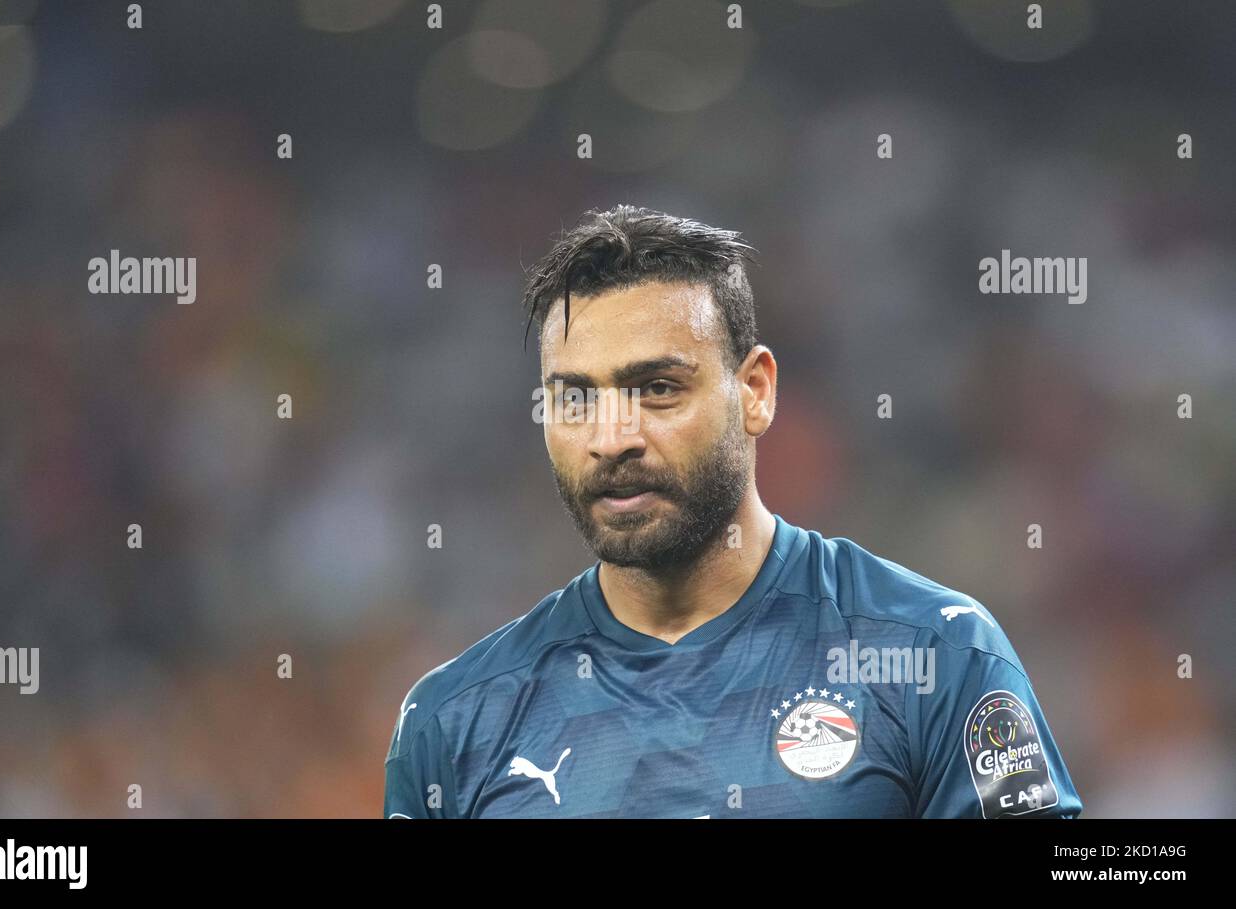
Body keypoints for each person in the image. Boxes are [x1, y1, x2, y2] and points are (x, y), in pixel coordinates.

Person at [383, 204, 1082, 818]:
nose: (610, 438)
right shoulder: (456, 721)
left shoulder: (935, 655)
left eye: (656, 387)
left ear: (755, 391)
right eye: (575, 399)